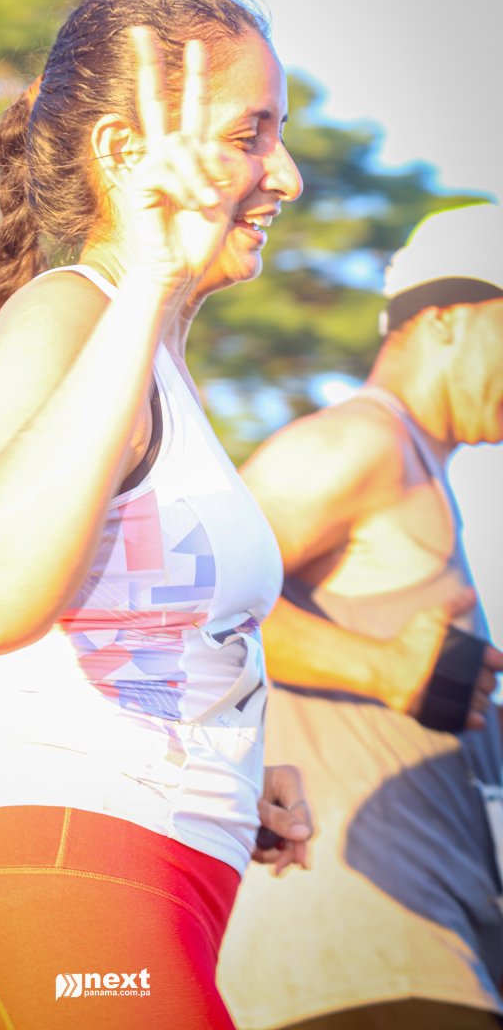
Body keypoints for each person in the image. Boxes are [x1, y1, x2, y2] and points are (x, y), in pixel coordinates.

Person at [0, 0, 313, 1030]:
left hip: (112, 902)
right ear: (123, 152)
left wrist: (221, 759)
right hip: (68, 906)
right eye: (248, 135)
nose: (286, 175)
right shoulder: (67, 316)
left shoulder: (142, 357)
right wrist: (152, 278)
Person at [218, 203, 503, 1030]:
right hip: (359, 964)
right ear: (446, 317)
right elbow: (190, 603)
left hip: (432, 956)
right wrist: (378, 668)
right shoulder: (356, 443)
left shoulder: (423, 470)